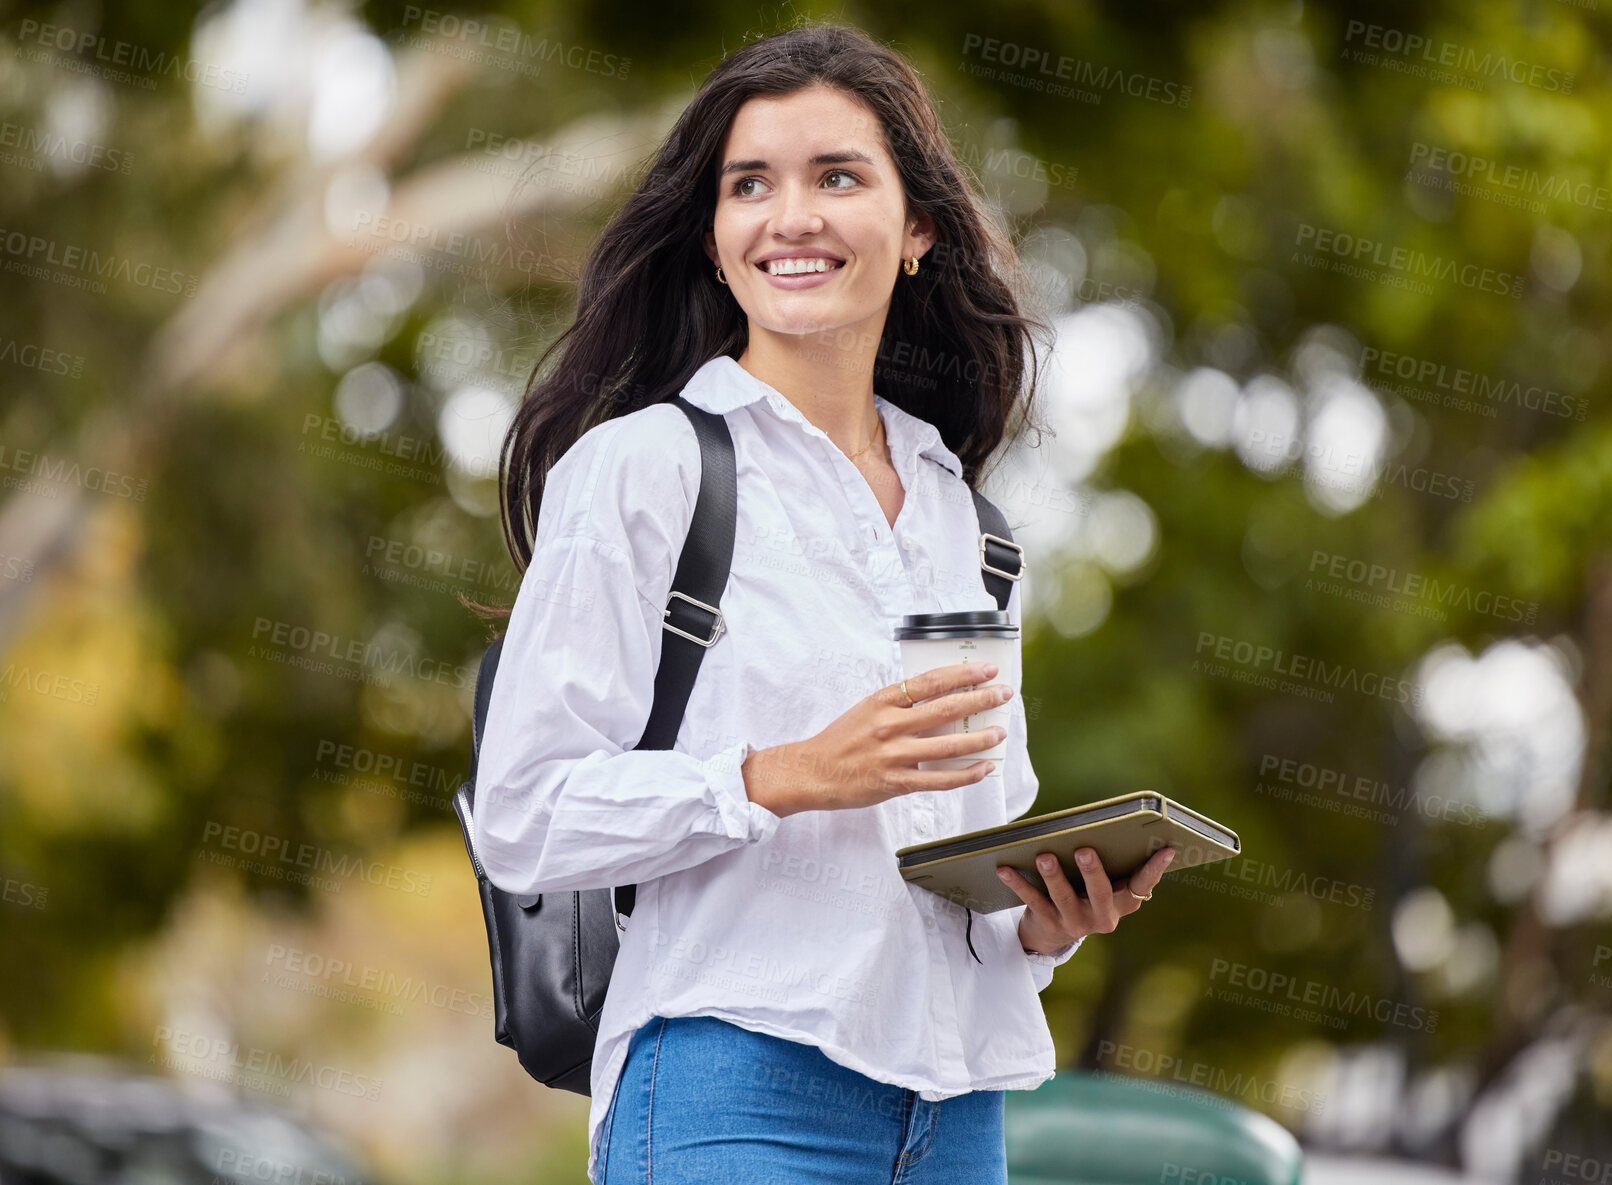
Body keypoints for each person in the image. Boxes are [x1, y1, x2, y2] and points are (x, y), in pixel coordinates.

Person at [471, 22, 1176, 1185]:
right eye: (750, 185)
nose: (789, 216)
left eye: (837, 176)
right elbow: (523, 812)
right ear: (713, 238)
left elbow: (970, 855)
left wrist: (1046, 918)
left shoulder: (969, 529)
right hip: (731, 1087)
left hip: (957, 1115)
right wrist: (781, 776)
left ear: (918, 230)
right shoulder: (649, 469)